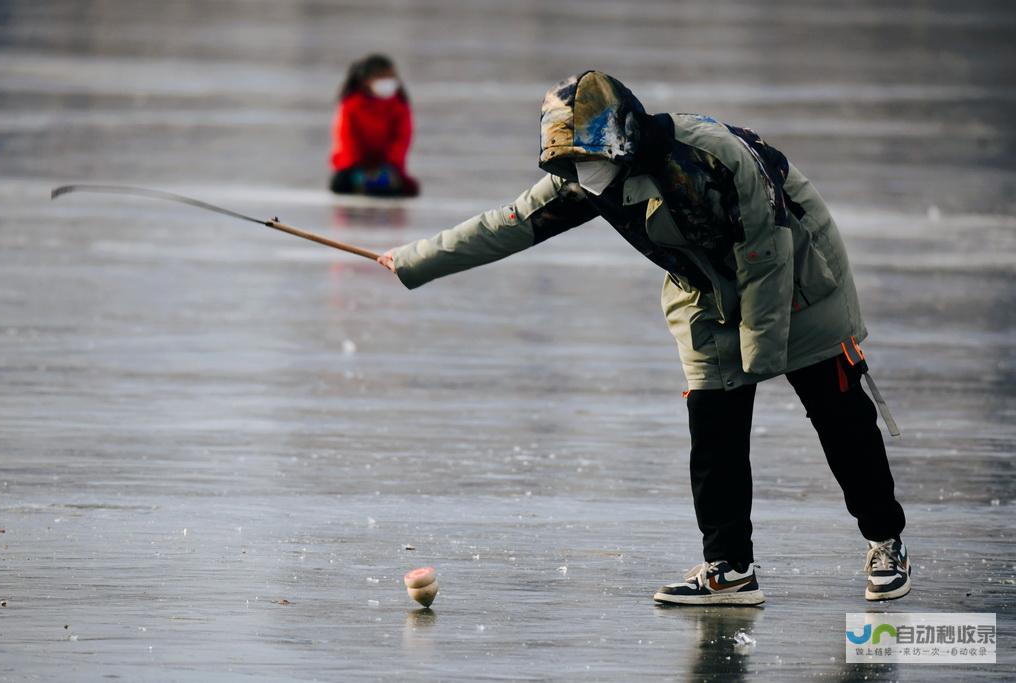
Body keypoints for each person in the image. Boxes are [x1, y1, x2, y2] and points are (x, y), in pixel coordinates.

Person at [375, 71, 910, 606]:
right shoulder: (586, 174)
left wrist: (760, 357)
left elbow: (766, 254)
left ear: (621, 137)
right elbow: (509, 223)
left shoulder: (710, 158)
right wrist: (415, 259)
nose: (584, 174)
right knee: (713, 421)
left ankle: (886, 541)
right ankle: (730, 568)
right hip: (703, 291)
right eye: (571, 162)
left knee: (837, 412)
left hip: (797, 277)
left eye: (590, 159)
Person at [328, 54, 419, 197]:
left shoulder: (399, 106)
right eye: (381, 77)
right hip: (354, 167)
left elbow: (402, 139)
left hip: (387, 166)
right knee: (340, 184)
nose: (387, 81)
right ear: (366, 80)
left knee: (407, 188)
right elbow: (346, 138)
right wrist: (355, 167)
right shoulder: (351, 105)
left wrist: (390, 165)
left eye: (390, 76)